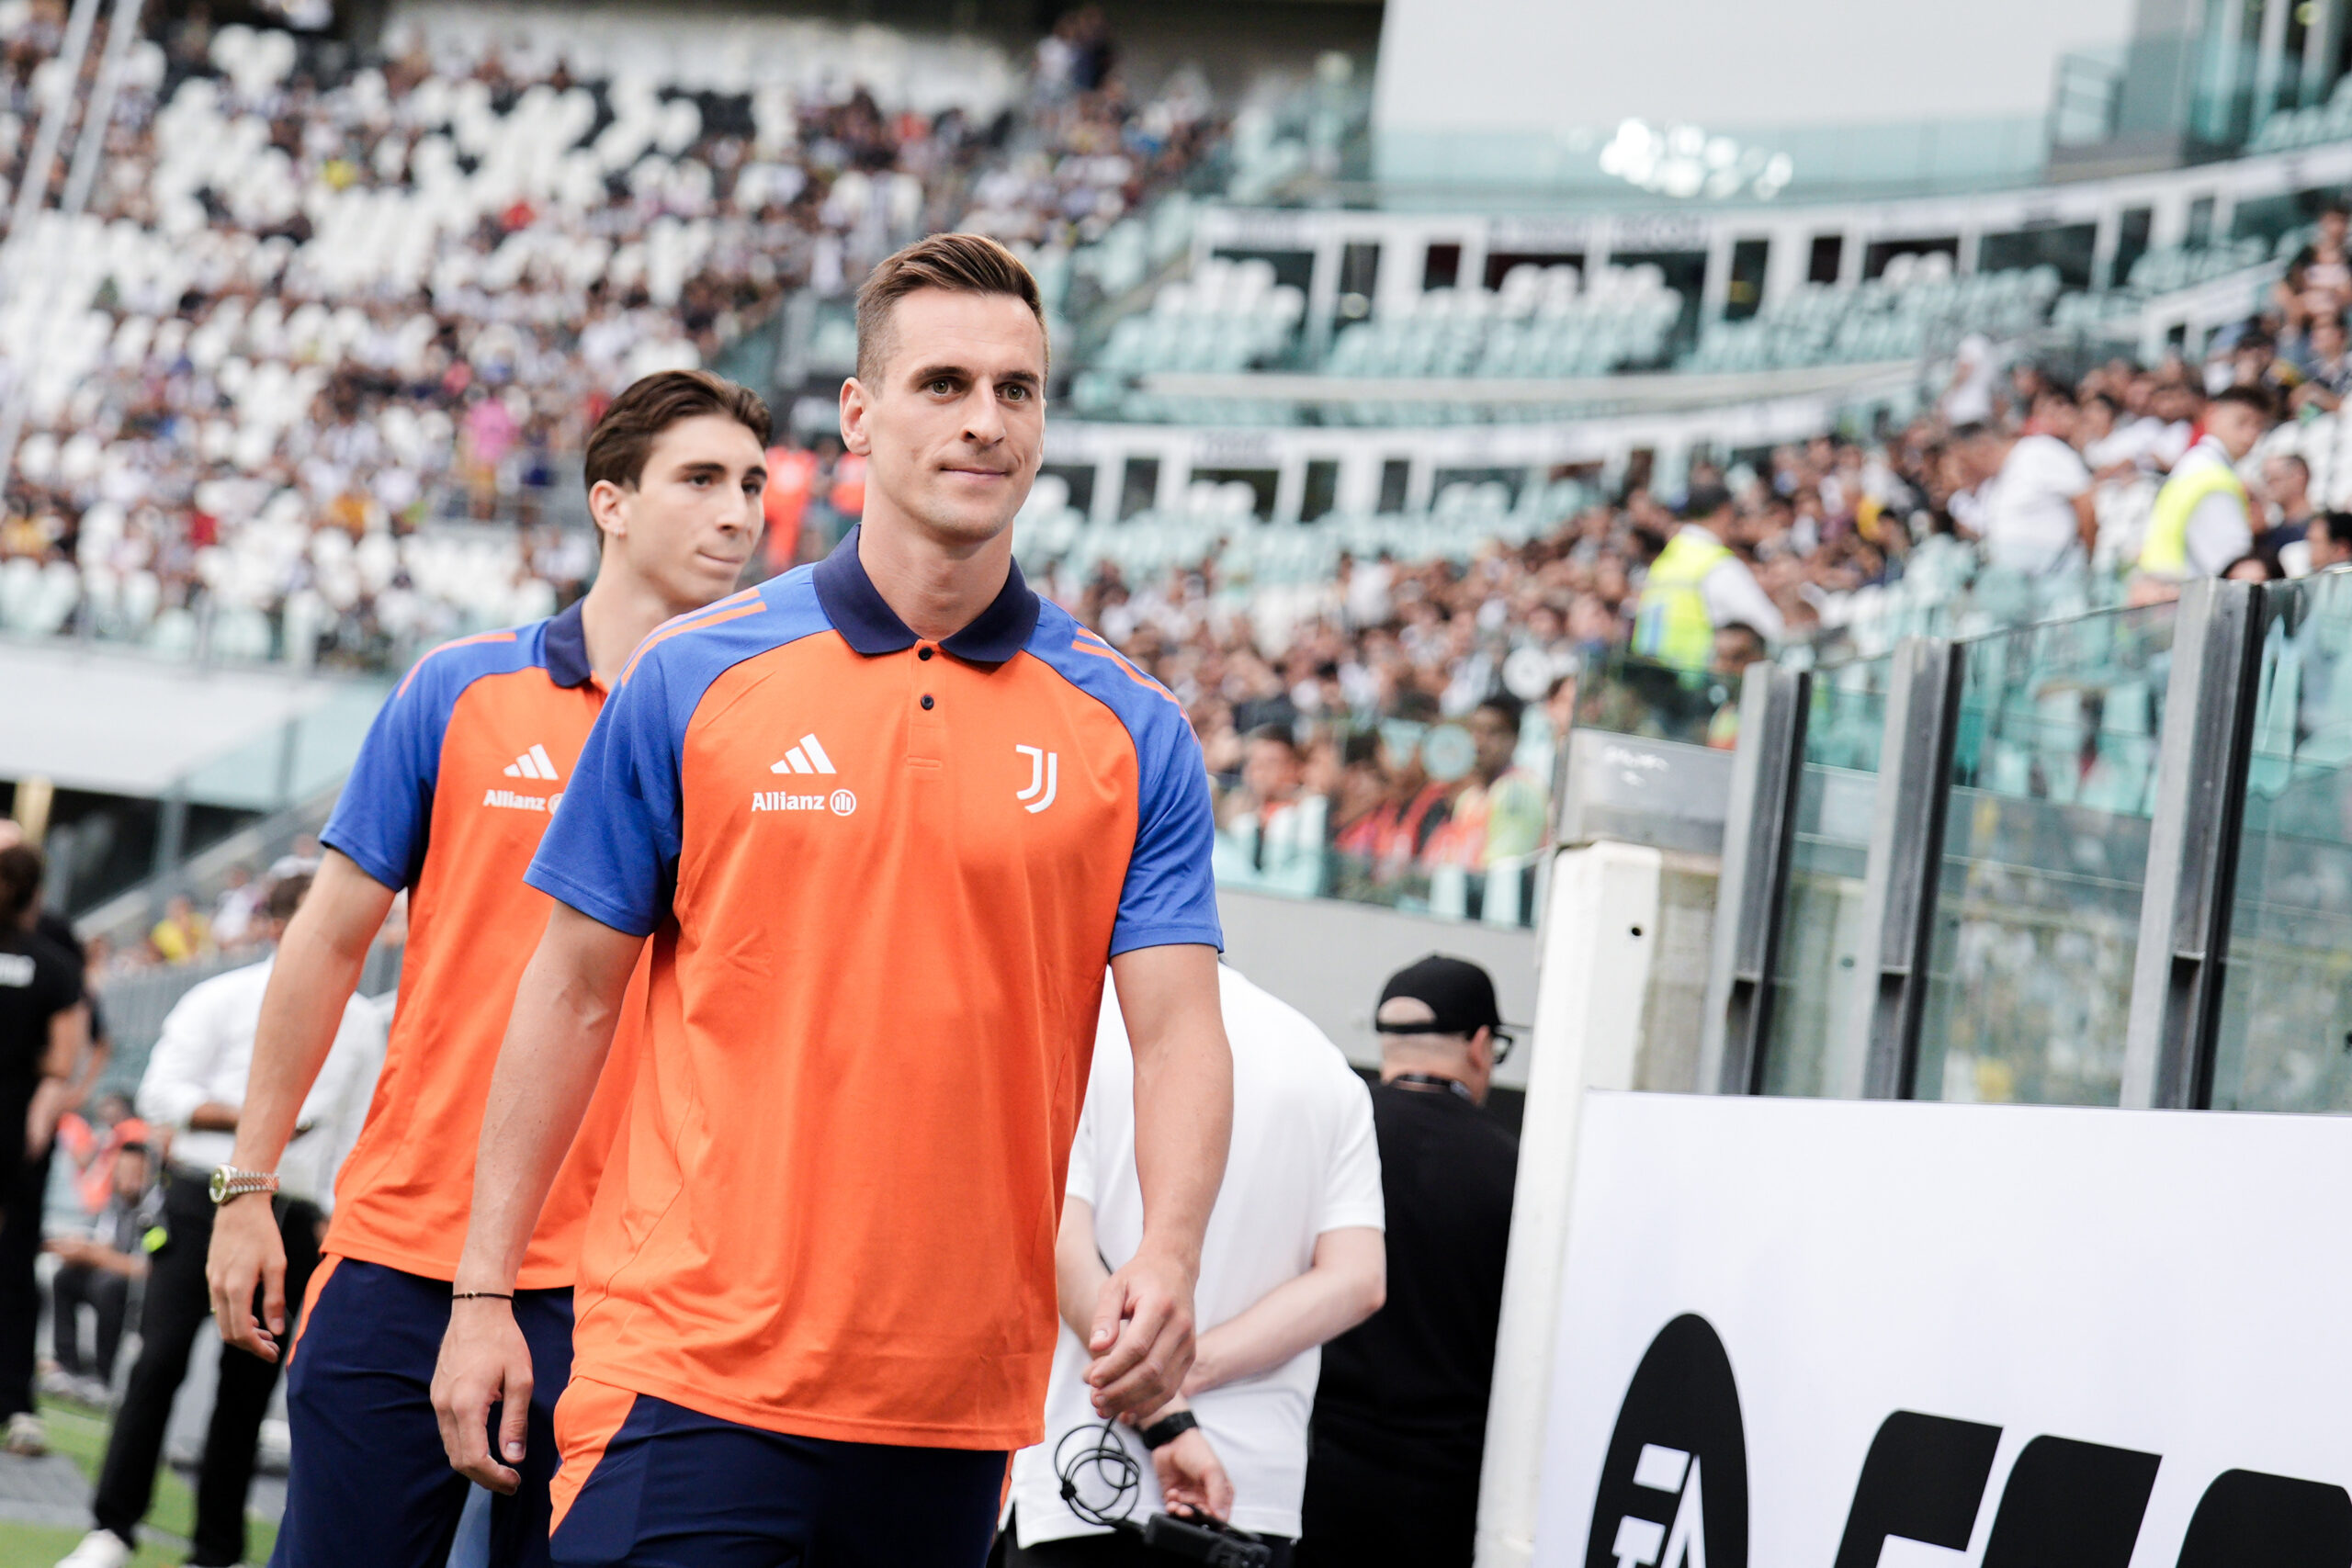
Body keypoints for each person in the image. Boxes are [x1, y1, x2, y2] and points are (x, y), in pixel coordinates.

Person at [430, 232, 1234, 1567]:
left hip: (952, 1408)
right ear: (859, 413)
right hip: (683, 1375)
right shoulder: (696, 676)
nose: (985, 420)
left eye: (1017, 390)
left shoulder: (1132, 726)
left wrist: (1175, 1249)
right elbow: (569, 993)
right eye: (944, 383)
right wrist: (483, 1287)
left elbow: (1180, 1032)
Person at [203, 370, 774, 1568]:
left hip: (635, 1291)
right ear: (609, 502)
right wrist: (247, 1180)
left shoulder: (762, 733)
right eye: (704, 479)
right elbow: (325, 937)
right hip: (407, 1252)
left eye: (755, 484)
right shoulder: (459, 688)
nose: (741, 512)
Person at [1004, 964, 1385, 1565]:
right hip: (1247, 1497)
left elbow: (1053, 1242)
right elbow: (1359, 1278)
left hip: (1087, 1475)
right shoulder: (1322, 1061)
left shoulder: (1088, 1026)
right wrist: (1191, 1368)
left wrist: (1162, 1399)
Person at [59, 874, 384, 1568]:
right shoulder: (221, 995)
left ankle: (217, 1550)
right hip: (199, 1198)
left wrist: (332, 1214)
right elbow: (163, 1091)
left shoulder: (360, 1023)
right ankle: (111, 1528)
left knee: (250, 1385)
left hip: (295, 1218)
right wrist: (259, 1121)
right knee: (157, 1362)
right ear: (272, 924)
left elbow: (354, 1133)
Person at [1299, 956, 1521, 1568]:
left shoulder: (1330, 1135)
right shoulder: (1516, 1169)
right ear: (1480, 1044)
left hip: (1315, 1467)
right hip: (1444, 1492)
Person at [0, 842, 88, 1459]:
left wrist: (40, 1111)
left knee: (13, 1265)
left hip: (16, 1125)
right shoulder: (54, 963)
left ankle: (16, 1402)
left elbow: (62, 1059)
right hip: (19, 1119)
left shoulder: (53, 964)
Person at [44, 1125, 155, 1404]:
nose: (128, 1180)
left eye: (135, 1173)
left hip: (143, 1294)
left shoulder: (157, 1210)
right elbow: (104, 1243)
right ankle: (67, 1366)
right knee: (66, 1276)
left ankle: (103, 1377)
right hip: (110, 1279)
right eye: (122, 1171)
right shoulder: (116, 1204)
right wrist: (78, 1249)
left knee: (110, 1286)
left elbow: (146, 1268)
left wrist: (96, 1256)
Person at [1631, 483, 1782, 671]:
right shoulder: (1716, 564)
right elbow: (1771, 628)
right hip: (1697, 685)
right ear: (1725, 512)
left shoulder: (1663, 563)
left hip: (1652, 681)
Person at [2139, 384, 2276, 582]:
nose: (2250, 435)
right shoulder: (2215, 478)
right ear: (2211, 413)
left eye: (2258, 426)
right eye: (2242, 422)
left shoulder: (2191, 465)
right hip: (2188, 599)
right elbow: (2234, 567)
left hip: (2167, 596)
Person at [1969, 393, 2097, 577]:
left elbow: (2084, 499)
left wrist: (2089, 553)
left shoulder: (2037, 451)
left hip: (2060, 572)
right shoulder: (1995, 480)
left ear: (1982, 448)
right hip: (2026, 583)